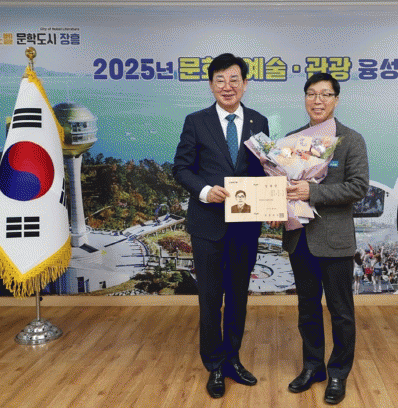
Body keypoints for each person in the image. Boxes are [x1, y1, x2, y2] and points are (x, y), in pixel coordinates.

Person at [172, 53, 269, 399]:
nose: (227, 87)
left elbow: (263, 171)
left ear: (245, 83)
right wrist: (203, 191)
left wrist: (274, 197)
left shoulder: (258, 121)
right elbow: (181, 168)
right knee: (211, 298)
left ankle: (233, 359)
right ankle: (214, 364)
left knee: (238, 297)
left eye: (234, 79)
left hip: (245, 226)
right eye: (220, 80)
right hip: (208, 225)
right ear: (211, 84)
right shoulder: (196, 121)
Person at [272, 72, 369, 405]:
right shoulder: (292, 140)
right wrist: (274, 205)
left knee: (341, 311)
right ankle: (313, 367)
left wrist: (312, 191)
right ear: (305, 99)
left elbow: (358, 187)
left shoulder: (351, 140)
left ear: (336, 100)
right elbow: (281, 185)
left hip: (335, 241)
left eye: (325, 94)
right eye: (312, 94)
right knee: (307, 309)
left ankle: (338, 372)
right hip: (300, 238)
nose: (318, 100)